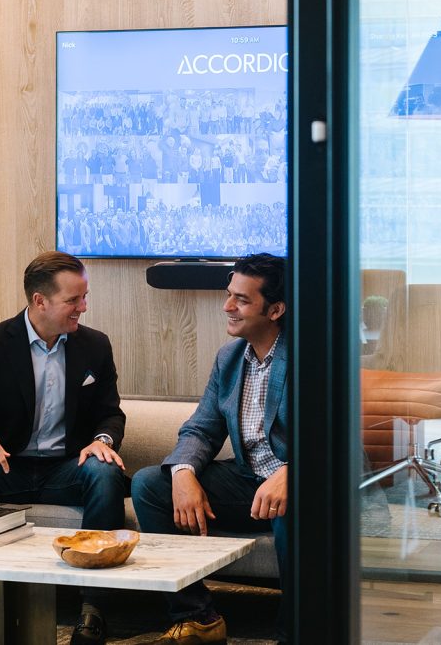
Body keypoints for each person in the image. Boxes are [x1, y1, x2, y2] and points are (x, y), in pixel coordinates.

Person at [132, 253, 289, 645]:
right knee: (151, 484)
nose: (227, 306)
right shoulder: (230, 357)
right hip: (248, 483)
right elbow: (201, 428)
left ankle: (300, 629)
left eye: (241, 299)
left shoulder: (313, 356)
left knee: (294, 505)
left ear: (275, 310)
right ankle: (197, 616)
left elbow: (337, 438)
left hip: (299, 484)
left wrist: (293, 472)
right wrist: (183, 472)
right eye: (228, 294)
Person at [0, 250, 127, 645]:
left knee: (105, 472)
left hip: (66, 468)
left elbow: (111, 414)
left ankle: (93, 612)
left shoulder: (94, 346)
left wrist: (102, 441)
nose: (84, 307)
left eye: (84, 296)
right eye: (74, 300)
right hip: (4, 469)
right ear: (40, 301)